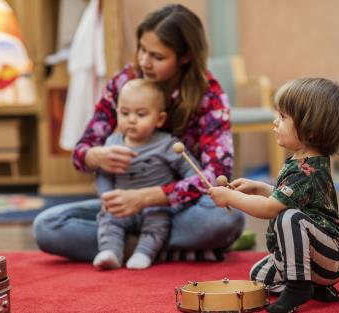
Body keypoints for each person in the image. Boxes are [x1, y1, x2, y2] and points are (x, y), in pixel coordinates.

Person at [33, 4, 245, 265]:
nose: (144, 61)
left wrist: (147, 197)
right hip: (122, 210)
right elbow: (81, 151)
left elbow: (216, 178)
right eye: (142, 49)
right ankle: (160, 248)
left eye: (157, 56)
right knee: (47, 226)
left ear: (186, 56)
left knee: (226, 218)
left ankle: (129, 246)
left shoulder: (209, 96)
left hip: (180, 209)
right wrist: (94, 156)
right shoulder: (124, 82)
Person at [209, 78, 339, 313]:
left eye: (284, 117)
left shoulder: (304, 169)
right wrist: (259, 187)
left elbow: (270, 209)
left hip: (330, 255)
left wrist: (230, 199)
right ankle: (314, 287)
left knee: (290, 218)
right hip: (318, 257)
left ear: (310, 129)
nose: (275, 122)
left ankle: (299, 288)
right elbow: (291, 198)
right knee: (258, 275)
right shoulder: (304, 162)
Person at [93, 79, 200, 270]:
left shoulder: (167, 143)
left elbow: (192, 173)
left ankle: (144, 252)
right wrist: (106, 196)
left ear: (159, 119)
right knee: (107, 219)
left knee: (157, 224)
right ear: (117, 112)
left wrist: (173, 201)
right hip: (121, 207)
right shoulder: (112, 142)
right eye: (125, 113)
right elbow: (103, 174)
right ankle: (111, 251)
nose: (131, 119)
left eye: (141, 114)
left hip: (155, 206)